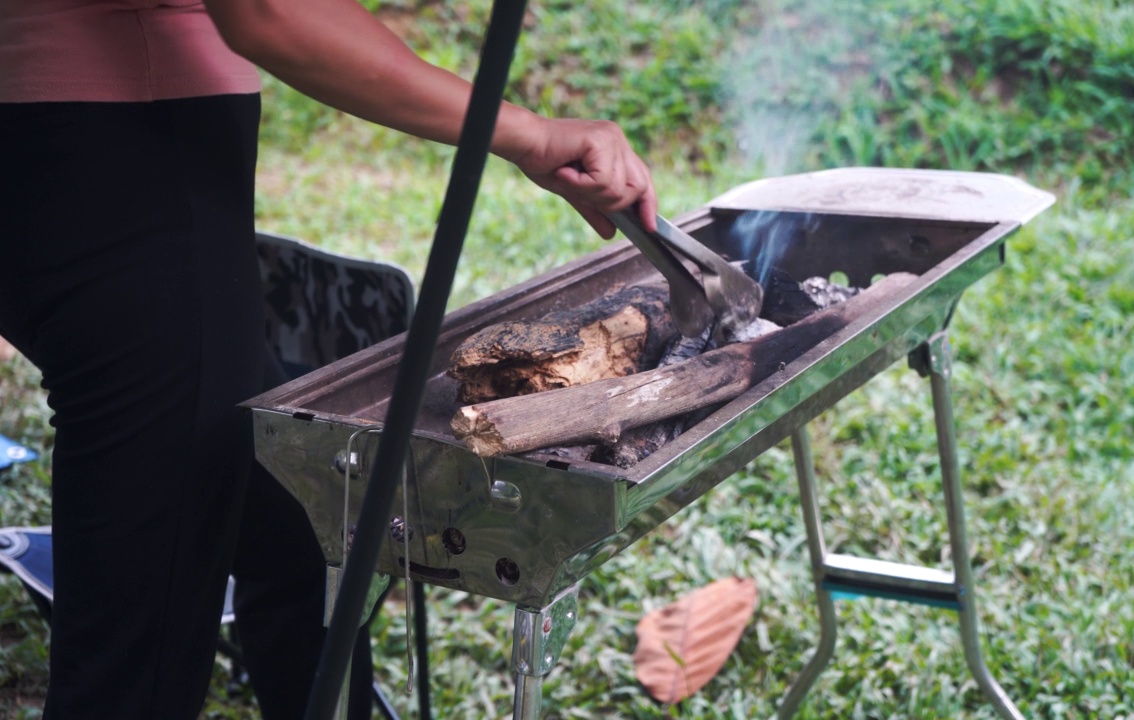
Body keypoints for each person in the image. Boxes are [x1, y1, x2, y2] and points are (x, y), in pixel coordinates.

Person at [0, 0, 658, 717]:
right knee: (135, 661)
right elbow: (268, 12)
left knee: (297, 515)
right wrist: (531, 133)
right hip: (128, 185)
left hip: (78, 168)